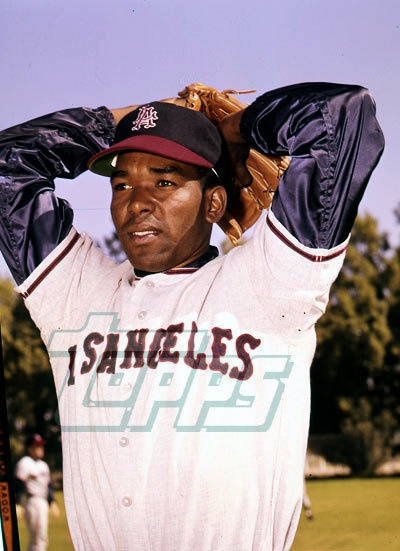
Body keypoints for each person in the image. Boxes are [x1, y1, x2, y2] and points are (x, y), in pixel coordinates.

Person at [0, 82, 384, 550]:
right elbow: (7, 166)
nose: (136, 202)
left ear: (214, 203)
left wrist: (238, 131)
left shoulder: (269, 282)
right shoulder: (75, 294)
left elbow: (342, 116)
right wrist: (124, 121)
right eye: (122, 184)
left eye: (164, 181)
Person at [14, 434, 59, 551]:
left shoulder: (44, 465)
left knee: (38, 540)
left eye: (41, 445)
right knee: (39, 540)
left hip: (42, 501)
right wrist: (17, 504)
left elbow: (48, 486)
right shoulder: (25, 462)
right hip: (32, 501)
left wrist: (52, 502)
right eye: (37, 446)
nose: (41, 448)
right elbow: (19, 484)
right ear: (30, 449)